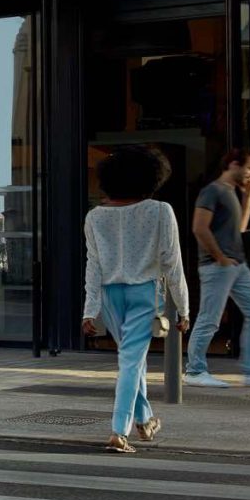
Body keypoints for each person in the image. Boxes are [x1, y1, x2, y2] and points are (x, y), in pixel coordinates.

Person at [80, 143, 192, 455]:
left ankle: (145, 421)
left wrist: (90, 310)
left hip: (109, 296)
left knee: (132, 360)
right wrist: (183, 309)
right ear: (151, 178)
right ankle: (118, 431)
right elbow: (173, 264)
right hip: (145, 294)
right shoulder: (160, 211)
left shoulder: (95, 217)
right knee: (130, 361)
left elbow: (94, 266)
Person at [182, 149, 250, 389]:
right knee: (210, 319)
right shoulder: (212, 191)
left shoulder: (231, 192)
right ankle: (195, 371)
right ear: (233, 164)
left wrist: (249, 197)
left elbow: (239, 228)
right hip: (217, 265)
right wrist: (219, 257)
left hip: (237, 266)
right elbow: (199, 228)